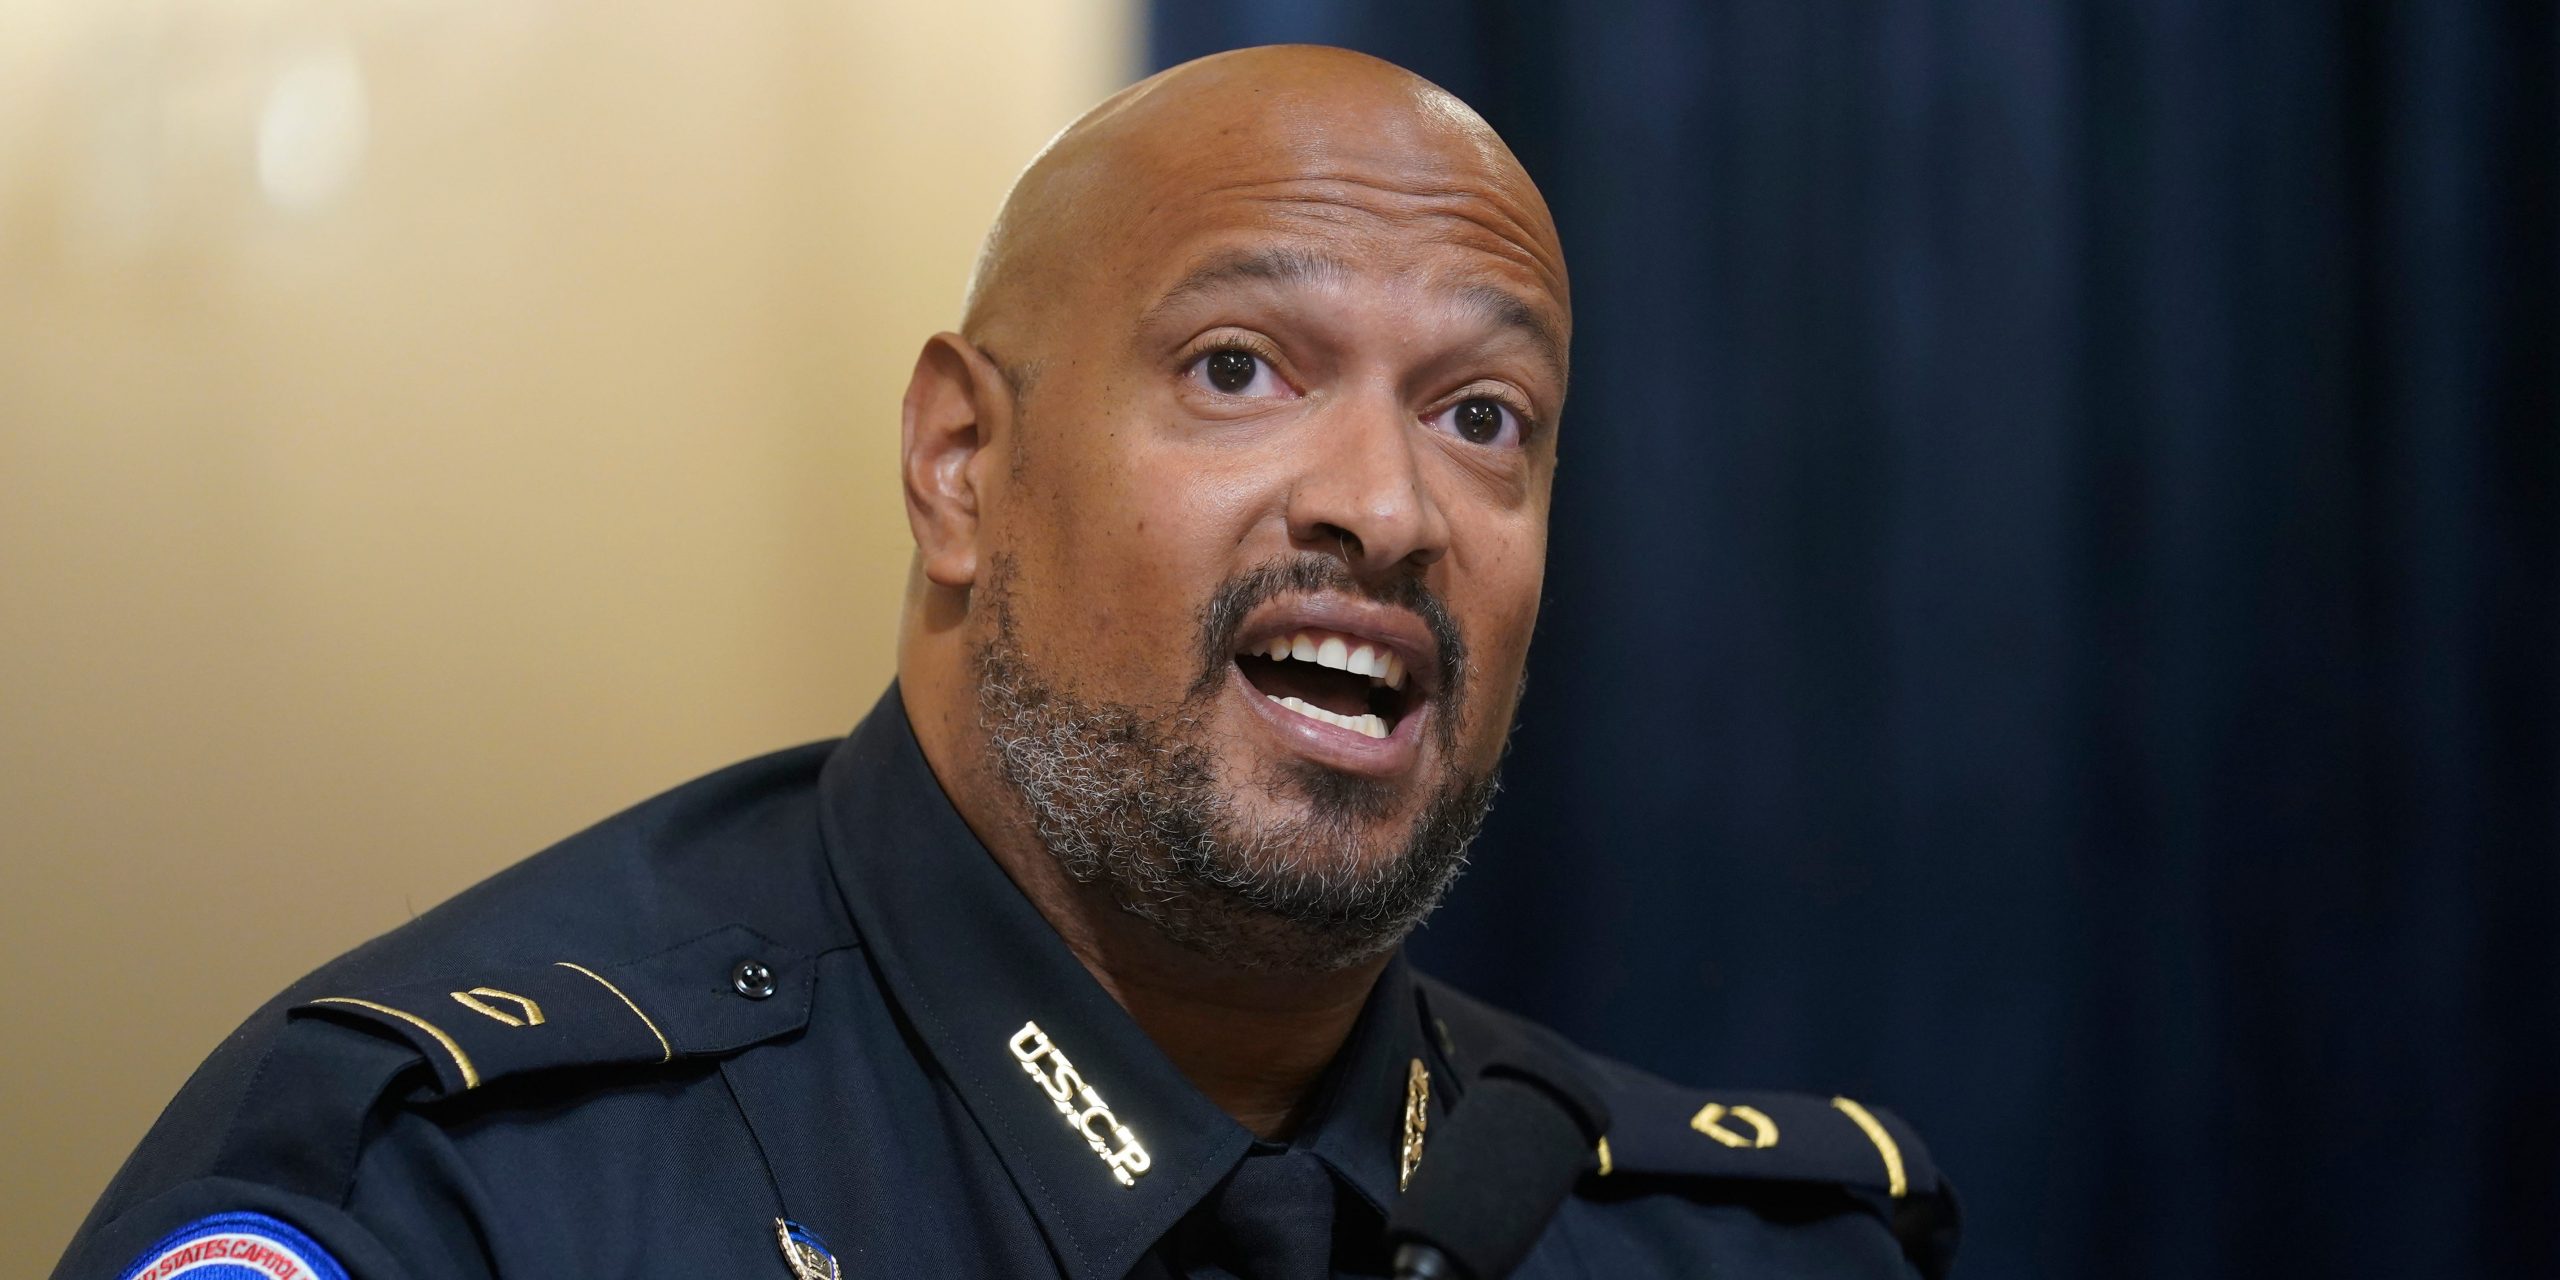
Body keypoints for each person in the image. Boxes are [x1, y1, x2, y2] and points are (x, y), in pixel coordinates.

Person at [53, 45, 1956, 1280]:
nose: (1386, 506)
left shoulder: (1753, 1240)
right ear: (964, 468)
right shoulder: (468, 1194)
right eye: (1239, 370)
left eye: (1484, 417)